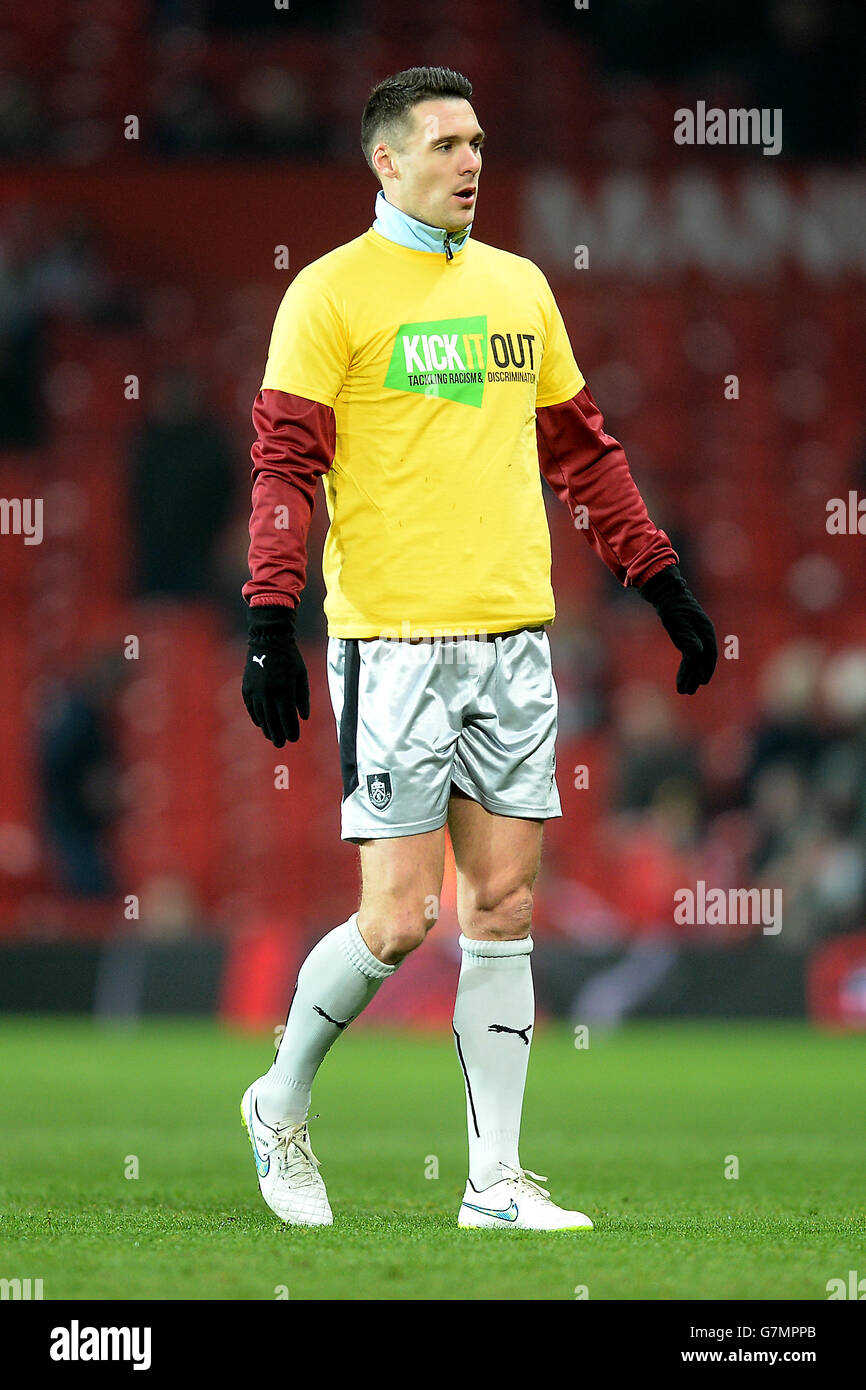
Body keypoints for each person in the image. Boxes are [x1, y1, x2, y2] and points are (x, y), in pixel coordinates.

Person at [238, 66, 717, 1231]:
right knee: (400, 919)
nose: (470, 161)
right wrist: (269, 618)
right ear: (384, 160)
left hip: (511, 639)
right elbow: (284, 466)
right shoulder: (327, 296)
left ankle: (494, 1184)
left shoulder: (517, 290)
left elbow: (582, 453)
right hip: (391, 642)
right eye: (446, 143)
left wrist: (658, 577)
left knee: (500, 909)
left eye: (478, 141)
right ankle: (279, 1099)